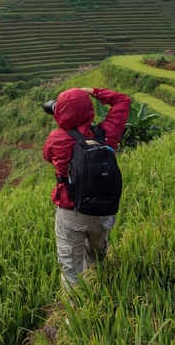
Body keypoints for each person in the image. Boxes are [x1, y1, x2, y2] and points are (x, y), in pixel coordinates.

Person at [43, 86, 131, 289]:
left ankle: (76, 316)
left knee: (72, 271)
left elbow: (48, 156)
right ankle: (98, 288)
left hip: (71, 213)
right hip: (102, 211)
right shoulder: (107, 134)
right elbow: (123, 100)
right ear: (89, 110)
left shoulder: (56, 139)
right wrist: (93, 92)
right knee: (97, 257)